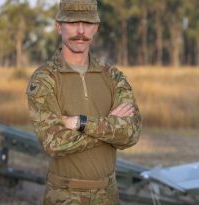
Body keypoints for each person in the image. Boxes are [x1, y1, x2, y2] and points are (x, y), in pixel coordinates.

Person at [26, 0, 142, 204]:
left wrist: (81, 123)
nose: (80, 31)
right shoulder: (44, 79)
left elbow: (131, 134)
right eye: (73, 23)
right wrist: (110, 125)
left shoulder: (113, 76)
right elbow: (53, 143)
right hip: (64, 196)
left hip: (108, 195)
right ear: (58, 26)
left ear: (96, 27)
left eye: (87, 23)